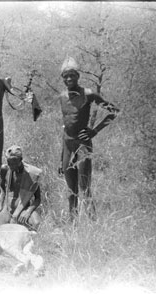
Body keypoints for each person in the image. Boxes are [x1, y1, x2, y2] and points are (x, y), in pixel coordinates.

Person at [57, 56, 119, 222]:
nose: (69, 79)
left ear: (78, 76)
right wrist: (61, 157)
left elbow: (114, 111)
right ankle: (73, 226)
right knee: (71, 190)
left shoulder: (89, 94)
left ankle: (93, 223)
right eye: (65, 76)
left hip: (83, 144)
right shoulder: (62, 96)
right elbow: (65, 127)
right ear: (62, 78)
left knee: (84, 187)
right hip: (68, 145)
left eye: (72, 75)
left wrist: (95, 131)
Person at [0, 145, 43, 231]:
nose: (12, 165)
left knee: (36, 223)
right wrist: (0, 206)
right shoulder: (5, 170)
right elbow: (2, 189)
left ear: (21, 159)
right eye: (9, 162)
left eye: (14, 161)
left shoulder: (31, 174)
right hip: (7, 210)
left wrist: (28, 211)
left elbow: (38, 199)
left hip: (23, 209)